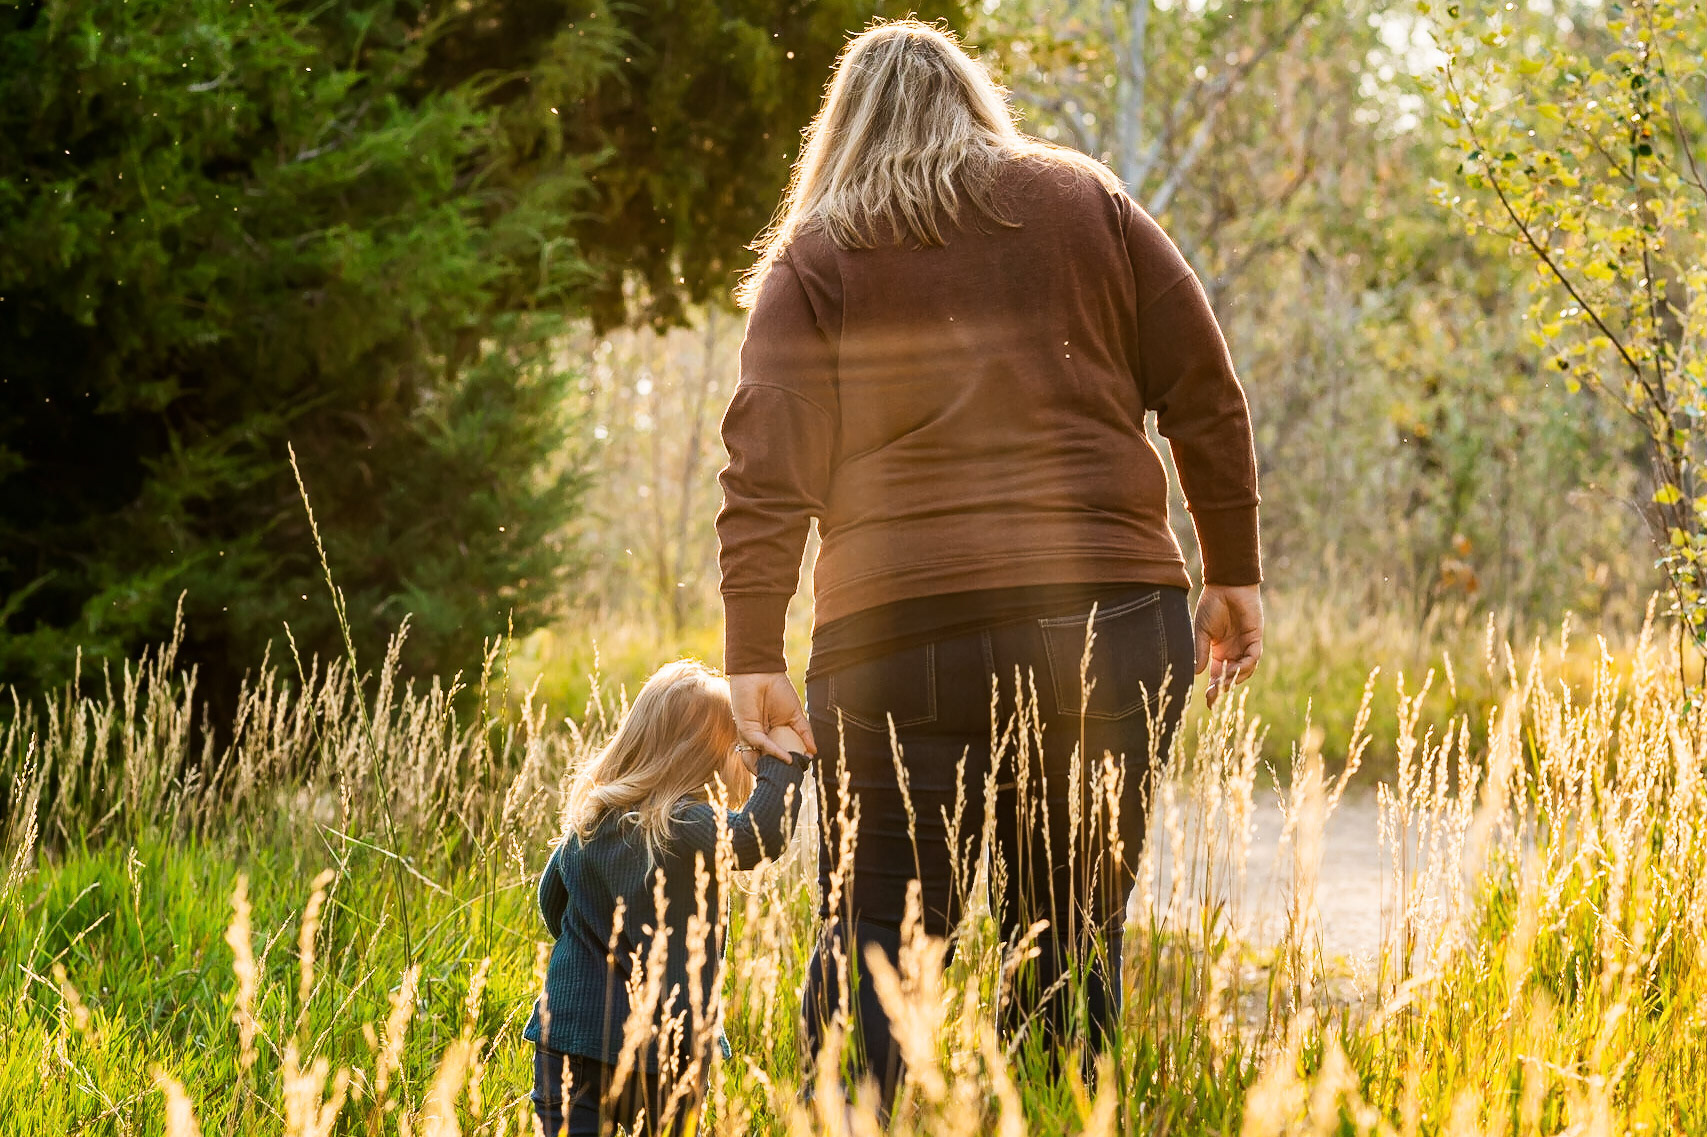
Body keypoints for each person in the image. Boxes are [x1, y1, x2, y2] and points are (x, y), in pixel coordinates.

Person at [715, 19, 1264, 1107]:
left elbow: (763, 467)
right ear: (975, 105)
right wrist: (1231, 569)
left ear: (844, 130)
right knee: (1068, 924)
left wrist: (753, 652)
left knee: (875, 930)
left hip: (893, 638)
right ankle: (1054, 1116)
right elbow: (1205, 388)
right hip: (1112, 619)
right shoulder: (1082, 201)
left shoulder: (818, 253)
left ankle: (854, 1123)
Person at [523, 659, 810, 1136]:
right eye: (739, 747)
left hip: (568, 1035)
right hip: (664, 1051)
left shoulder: (590, 823)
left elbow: (552, 905)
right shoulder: (686, 824)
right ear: (706, 756)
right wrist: (786, 761)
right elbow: (761, 836)